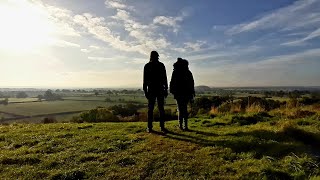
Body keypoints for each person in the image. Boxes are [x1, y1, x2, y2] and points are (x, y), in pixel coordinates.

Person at [143, 51, 168, 132]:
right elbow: (165, 78)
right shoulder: (161, 65)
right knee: (161, 109)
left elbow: (145, 80)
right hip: (159, 89)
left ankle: (149, 127)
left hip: (151, 90)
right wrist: (166, 89)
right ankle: (162, 127)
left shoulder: (147, 66)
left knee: (151, 109)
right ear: (158, 56)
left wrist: (145, 91)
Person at [170, 58, 195, 130]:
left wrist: (173, 91)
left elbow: (172, 82)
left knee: (180, 109)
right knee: (185, 109)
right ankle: (185, 126)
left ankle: (180, 125)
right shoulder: (188, 72)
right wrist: (192, 93)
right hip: (187, 93)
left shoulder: (175, 72)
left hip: (178, 94)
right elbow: (191, 83)